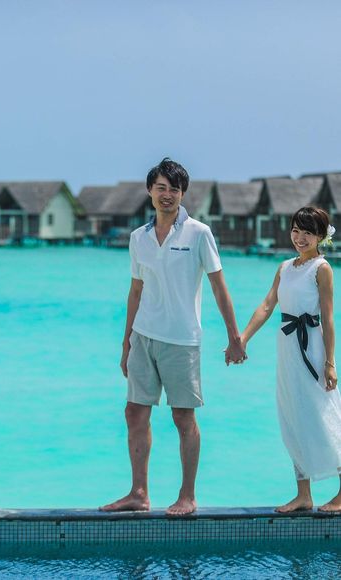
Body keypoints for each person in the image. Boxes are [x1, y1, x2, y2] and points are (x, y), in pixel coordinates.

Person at [100, 158, 246, 516]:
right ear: (150, 191)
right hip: (143, 336)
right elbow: (135, 291)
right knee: (134, 412)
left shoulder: (199, 233)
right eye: (161, 188)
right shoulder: (138, 238)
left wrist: (235, 336)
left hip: (182, 340)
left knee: (183, 417)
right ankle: (138, 493)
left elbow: (219, 286)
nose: (167, 194)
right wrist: (126, 341)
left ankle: (187, 495)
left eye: (174, 189)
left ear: (183, 194)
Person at [240, 206, 341, 512]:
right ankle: (303, 494)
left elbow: (328, 318)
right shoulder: (284, 267)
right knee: (292, 416)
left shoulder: (322, 268)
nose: (300, 238)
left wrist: (330, 363)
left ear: (320, 236)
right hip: (287, 348)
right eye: (296, 230)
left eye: (308, 232)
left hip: (312, 349)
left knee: (323, 415)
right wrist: (243, 339)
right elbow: (267, 306)